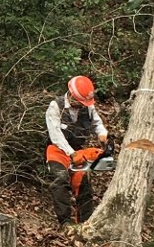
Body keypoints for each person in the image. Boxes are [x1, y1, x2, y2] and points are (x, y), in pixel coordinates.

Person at [45, 75, 109, 226]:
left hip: (78, 150)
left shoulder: (88, 107)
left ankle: (85, 223)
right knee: (60, 180)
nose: (82, 105)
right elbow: (55, 135)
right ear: (71, 95)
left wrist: (102, 134)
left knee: (84, 184)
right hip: (57, 149)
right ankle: (65, 222)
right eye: (79, 102)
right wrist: (71, 154)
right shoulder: (55, 107)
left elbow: (97, 123)